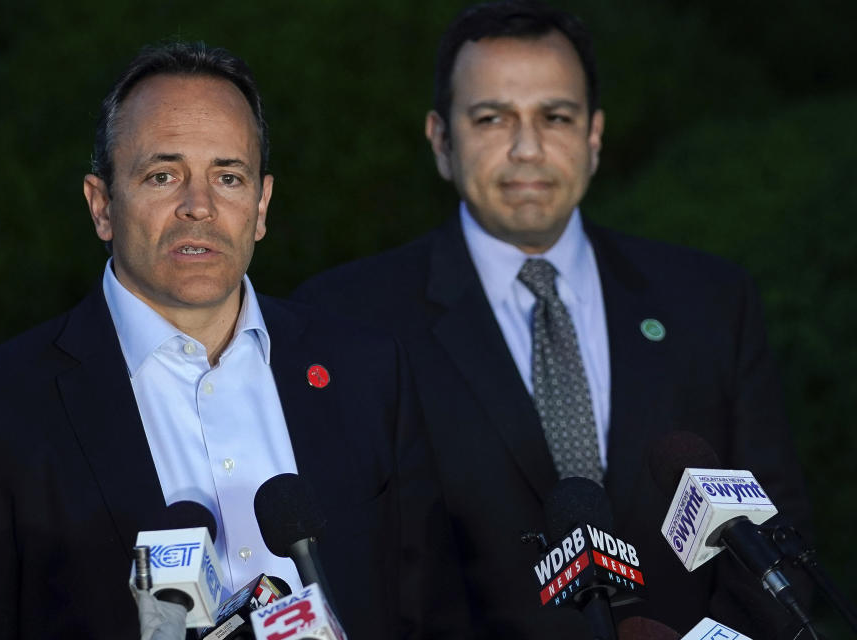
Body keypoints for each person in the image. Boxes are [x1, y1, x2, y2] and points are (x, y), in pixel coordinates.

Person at [0, 42, 464, 639]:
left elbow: (432, 614)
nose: (199, 207)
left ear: (262, 205)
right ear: (102, 207)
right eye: (163, 176)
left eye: (228, 177)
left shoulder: (366, 370)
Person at [294, 2, 812, 637]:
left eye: (555, 117)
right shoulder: (346, 320)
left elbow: (776, 538)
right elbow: (354, 567)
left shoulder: (710, 300)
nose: (527, 148)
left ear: (593, 137)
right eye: (492, 118)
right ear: (441, 140)